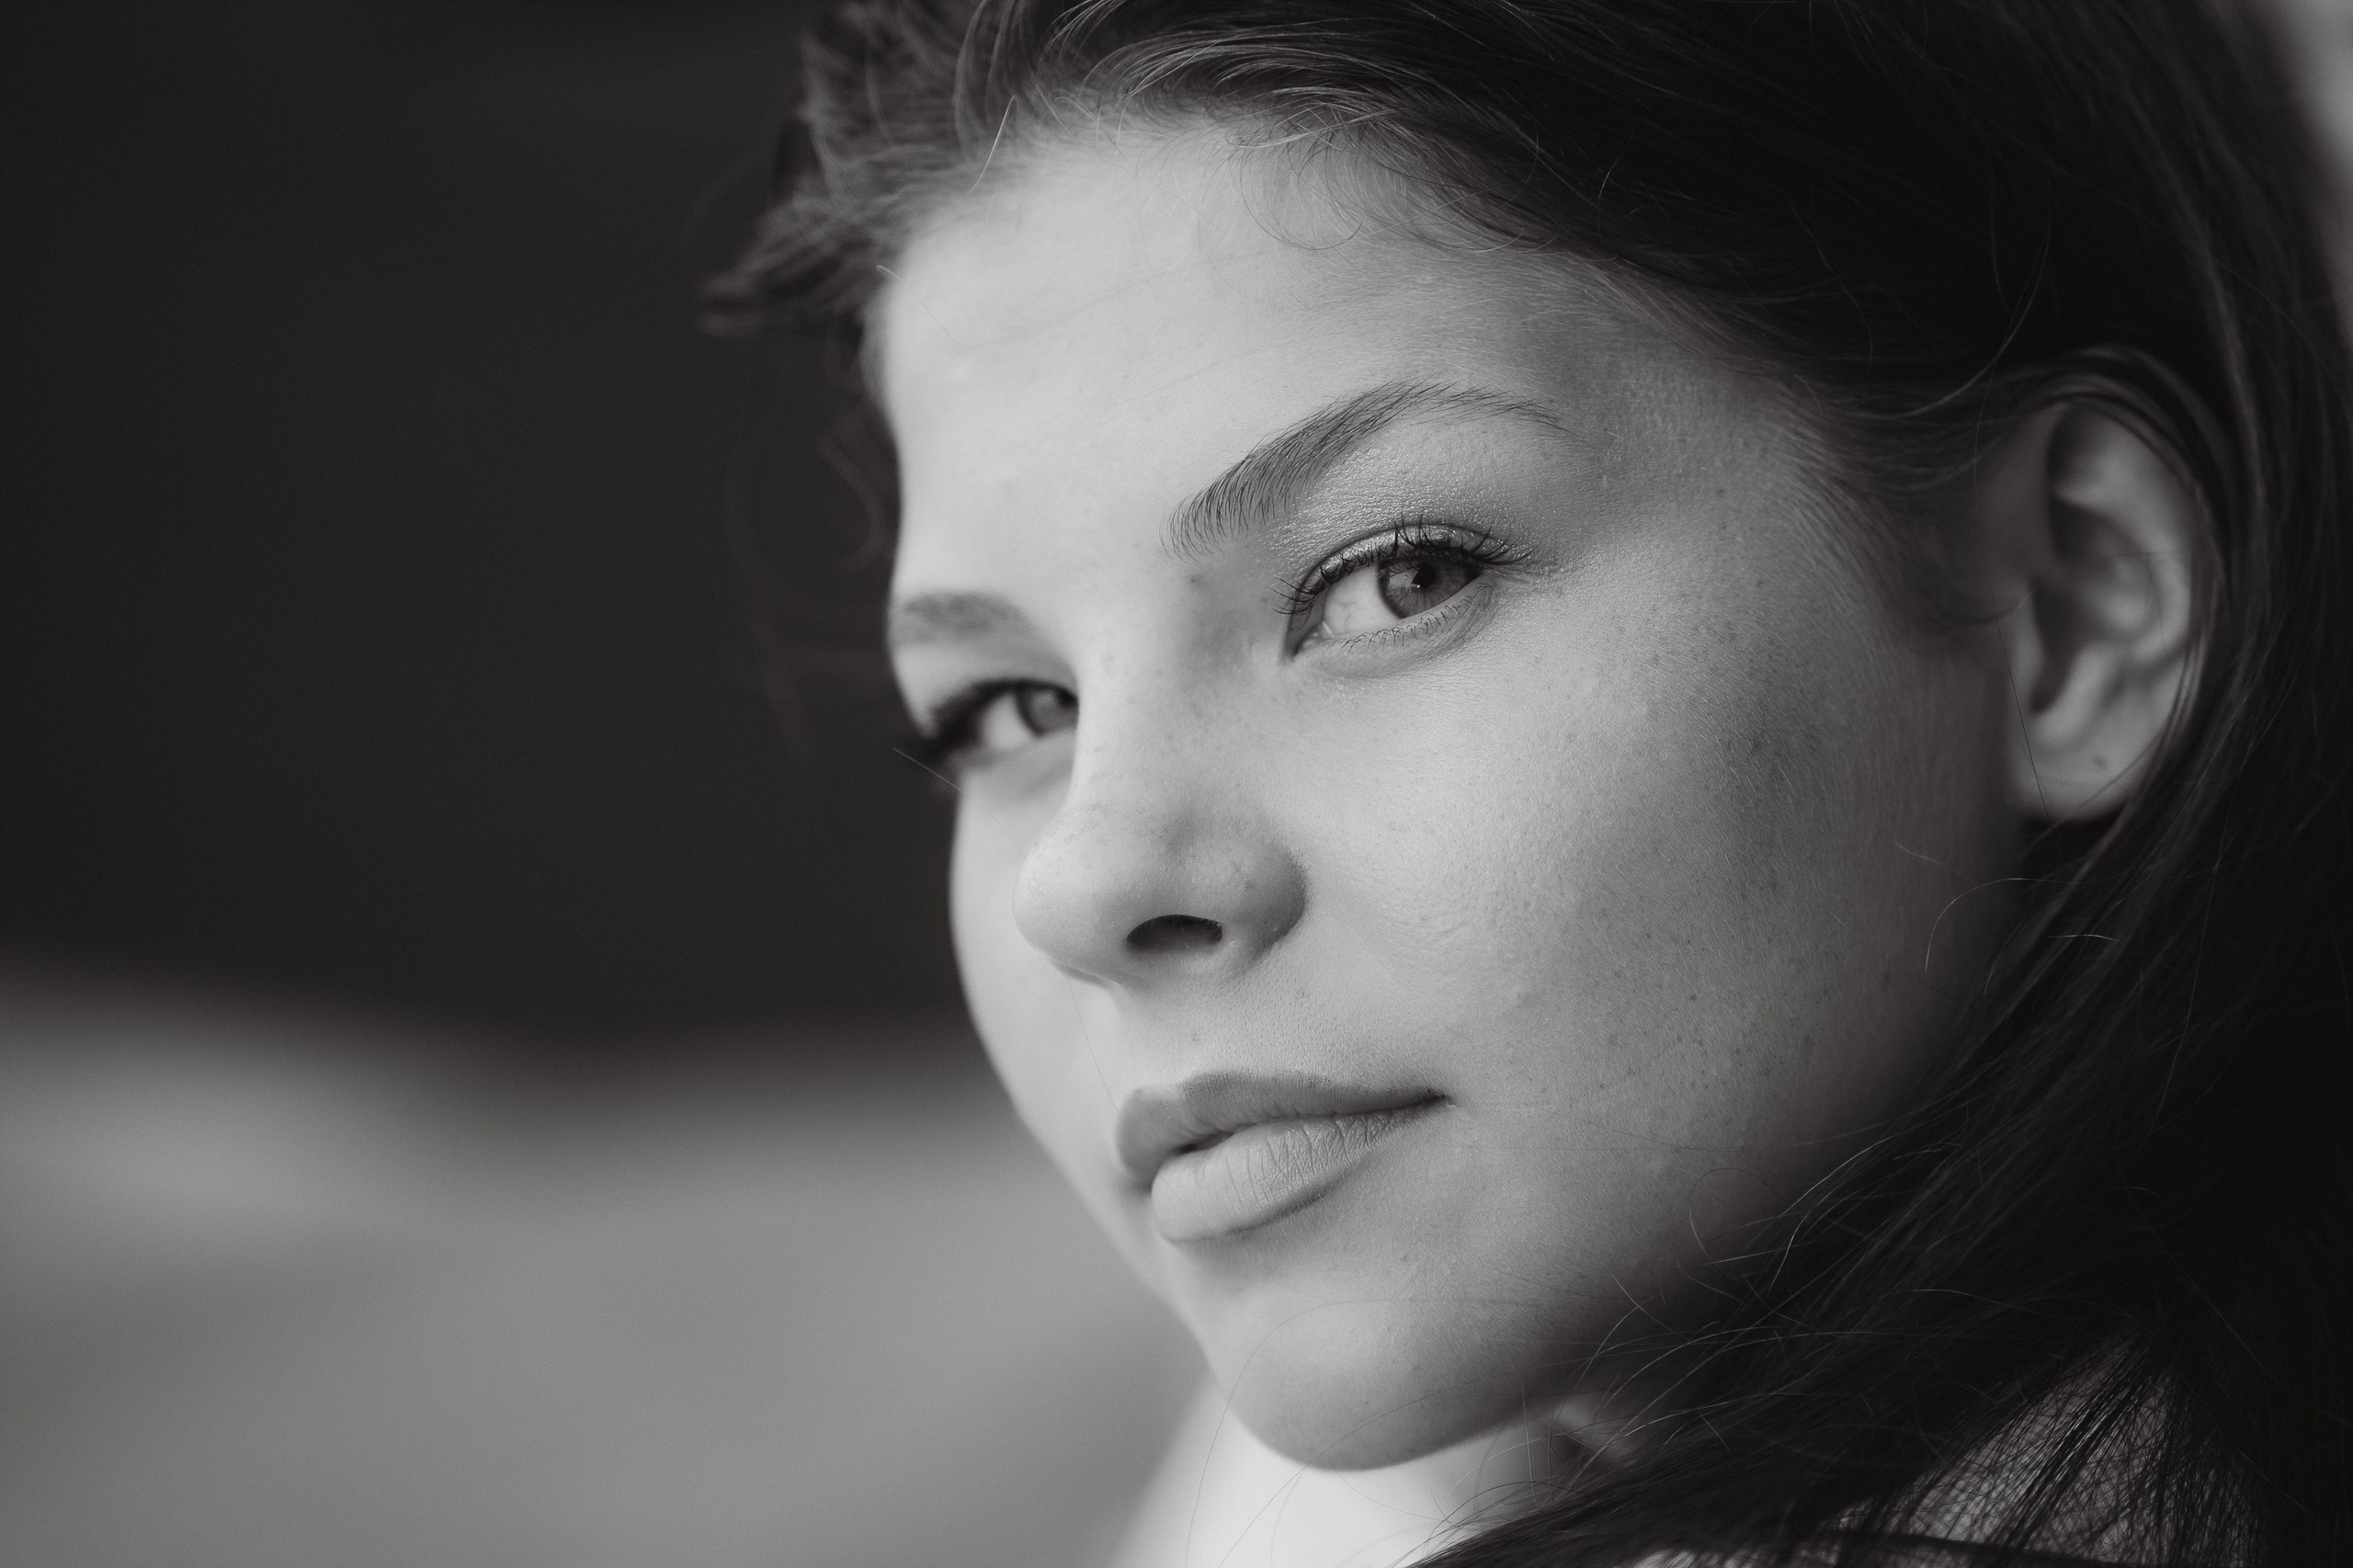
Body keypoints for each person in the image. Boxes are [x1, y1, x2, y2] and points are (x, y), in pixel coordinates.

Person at [709, 3, 2352, 1562]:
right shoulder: (1405, 1431)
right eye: (1008, 707)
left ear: (2072, 606)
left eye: (1396, 577)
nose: (1082, 883)